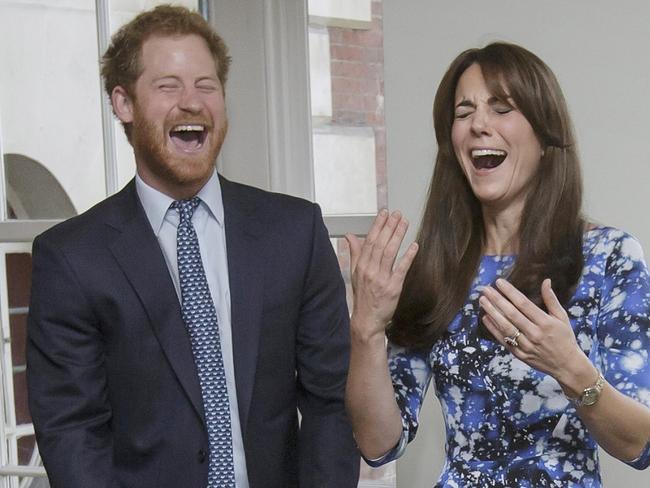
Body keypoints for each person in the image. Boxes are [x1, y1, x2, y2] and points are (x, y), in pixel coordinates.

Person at [26, 5, 359, 488]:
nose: (192, 102)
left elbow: (332, 401)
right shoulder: (72, 258)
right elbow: (72, 432)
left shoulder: (295, 232)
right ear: (123, 103)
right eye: (168, 86)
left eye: (207, 85)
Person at [345, 42, 650, 487]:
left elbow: (639, 444)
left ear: (545, 135)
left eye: (501, 108)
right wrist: (366, 330)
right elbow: (378, 442)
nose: (478, 125)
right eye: (464, 112)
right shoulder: (435, 266)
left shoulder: (609, 257)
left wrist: (571, 368)